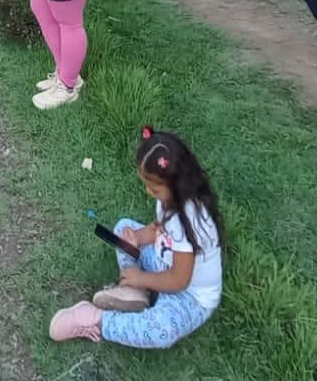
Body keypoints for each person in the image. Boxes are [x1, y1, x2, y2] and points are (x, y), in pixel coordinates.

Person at [49, 126, 224, 348]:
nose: (149, 193)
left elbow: (179, 280)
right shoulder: (172, 200)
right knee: (124, 228)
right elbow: (156, 229)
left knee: (161, 331)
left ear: (176, 184)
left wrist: (140, 277)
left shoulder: (188, 221)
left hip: (188, 295)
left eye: (154, 189)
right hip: (164, 265)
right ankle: (136, 292)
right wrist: (137, 239)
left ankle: (96, 318)